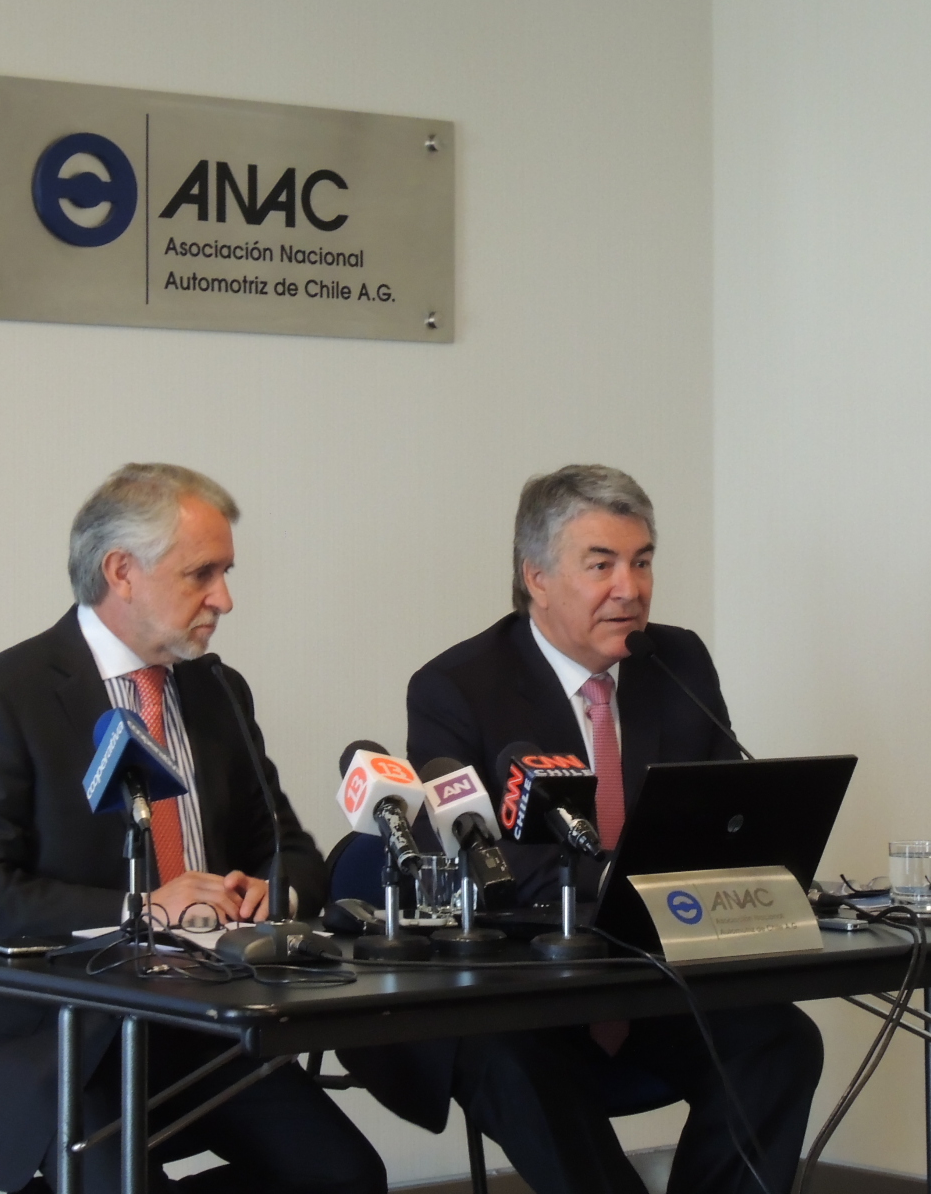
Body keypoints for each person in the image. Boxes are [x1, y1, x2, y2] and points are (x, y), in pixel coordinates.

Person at [343, 465, 824, 1194]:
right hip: (524, 987)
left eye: (642, 562)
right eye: (601, 565)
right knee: (509, 1063)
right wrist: (612, 874)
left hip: (656, 974)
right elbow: (474, 858)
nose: (630, 588)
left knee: (780, 1042)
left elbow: (720, 816)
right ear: (536, 577)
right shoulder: (457, 687)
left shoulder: (676, 660)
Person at [0, 463, 387, 1194]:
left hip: (205, 1019)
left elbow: (287, 846)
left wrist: (274, 892)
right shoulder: (2, 700)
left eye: (226, 573)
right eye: (201, 574)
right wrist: (141, 911)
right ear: (121, 572)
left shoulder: (216, 689)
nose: (224, 599)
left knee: (345, 1176)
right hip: (66, 1035)